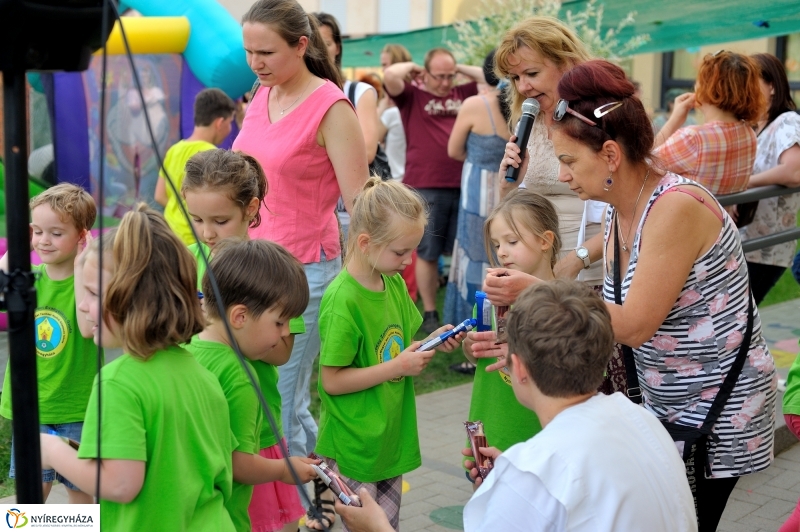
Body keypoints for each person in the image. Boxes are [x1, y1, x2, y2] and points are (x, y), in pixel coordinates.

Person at [542, 59, 774, 530]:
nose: (564, 176)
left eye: (569, 161)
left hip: (716, 411)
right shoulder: (617, 206)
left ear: (610, 155)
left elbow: (634, 324)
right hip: (670, 405)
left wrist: (543, 296)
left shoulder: (673, 207)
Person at [333, 281, 698, 532]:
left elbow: (546, 486)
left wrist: (378, 527)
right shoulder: (643, 421)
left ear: (518, 367)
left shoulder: (531, 476)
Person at [233, 0, 369, 476]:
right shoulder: (261, 93)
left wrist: (367, 282)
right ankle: (326, 484)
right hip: (248, 269)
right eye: (248, 51)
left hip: (303, 275)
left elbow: (363, 206)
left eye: (266, 52)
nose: (255, 63)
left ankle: (295, 509)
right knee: (271, 401)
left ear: (302, 45)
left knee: (279, 405)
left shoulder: (331, 106)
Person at [39, 205, 236, 530]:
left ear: (134, 300)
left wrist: (52, 450)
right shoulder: (203, 375)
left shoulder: (119, 382)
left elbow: (120, 484)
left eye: (91, 293)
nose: (82, 306)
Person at [315, 178, 467, 531]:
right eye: (400, 252)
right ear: (366, 243)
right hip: (353, 445)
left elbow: (395, 348)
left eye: (412, 250)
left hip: (386, 440)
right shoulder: (343, 300)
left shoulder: (392, 281)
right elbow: (331, 381)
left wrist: (429, 343)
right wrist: (397, 366)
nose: (408, 260)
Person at [494, 16, 625, 393]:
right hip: (539, 274)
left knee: (595, 386)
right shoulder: (526, 122)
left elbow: (627, 208)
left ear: (566, 62)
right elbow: (505, 212)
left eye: (532, 72)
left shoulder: (598, 118)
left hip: (596, 271)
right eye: (516, 78)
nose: (524, 86)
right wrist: (509, 186)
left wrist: (578, 259)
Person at [181, 149, 309, 532]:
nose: (207, 233)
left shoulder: (271, 267)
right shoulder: (185, 262)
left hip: (256, 430)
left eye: (221, 221)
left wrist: (234, 331)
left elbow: (284, 350)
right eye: (197, 220)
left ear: (251, 210)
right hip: (199, 424)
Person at [189, 239, 318, 532]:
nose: (286, 333)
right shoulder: (240, 376)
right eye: (280, 322)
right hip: (225, 518)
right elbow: (238, 463)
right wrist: (286, 469)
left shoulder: (188, 348)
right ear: (239, 316)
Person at [0, 183, 98, 504]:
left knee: (81, 500)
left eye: (56, 233)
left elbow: (86, 329)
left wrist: (85, 264)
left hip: (76, 409)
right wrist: (16, 241)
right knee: (30, 499)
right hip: (33, 407)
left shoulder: (90, 284)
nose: (43, 240)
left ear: (82, 236)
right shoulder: (29, 278)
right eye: (36, 230)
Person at [383, 47, 484, 333]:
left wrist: (458, 69)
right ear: (424, 74)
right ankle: (430, 311)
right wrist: (415, 67)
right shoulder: (413, 96)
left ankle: (462, 308)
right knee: (428, 252)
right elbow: (390, 75)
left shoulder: (462, 93)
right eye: (438, 76)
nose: (444, 82)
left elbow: (493, 78)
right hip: (426, 183)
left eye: (449, 76)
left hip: (464, 182)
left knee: (465, 250)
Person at [461, 190, 559, 460]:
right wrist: (470, 347)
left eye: (512, 241)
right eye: (496, 244)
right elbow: (478, 356)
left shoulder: (565, 307)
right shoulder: (489, 302)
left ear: (545, 241)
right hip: (490, 431)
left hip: (538, 443)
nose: (502, 252)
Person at [443, 49, 511, 343]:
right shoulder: (522, 107)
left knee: (473, 260)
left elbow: (453, 150)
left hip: (476, 196)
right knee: (503, 257)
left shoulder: (475, 104)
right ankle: (500, 326)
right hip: (509, 194)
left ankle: (473, 331)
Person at [654, 51, 764, 196]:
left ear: (709, 86)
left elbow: (641, 167)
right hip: (724, 218)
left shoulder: (693, 138)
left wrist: (674, 121)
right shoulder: (749, 135)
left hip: (686, 217)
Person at [312, 12, 380, 239]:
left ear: (338, 47)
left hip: (347, 211)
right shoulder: (295, 95)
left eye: (326, 43)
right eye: (314, 43)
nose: (320, 50)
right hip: (309, 212)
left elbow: (368, 151)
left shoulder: (359, 92)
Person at [740, 53, 800, 304]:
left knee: (740, 321)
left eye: (750, 81)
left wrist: (745, 184)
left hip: (766, 247)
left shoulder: (787, 121)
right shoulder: (757, 127)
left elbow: (794, 171)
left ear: (772, 87)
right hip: (750, 241)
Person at [154, 88, 236, 245]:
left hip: (170, 234)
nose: (230, 128)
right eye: (230, 122)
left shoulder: (174, 150)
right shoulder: (212, 156)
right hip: (195, 240)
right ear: (220, 123)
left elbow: (160, 195)